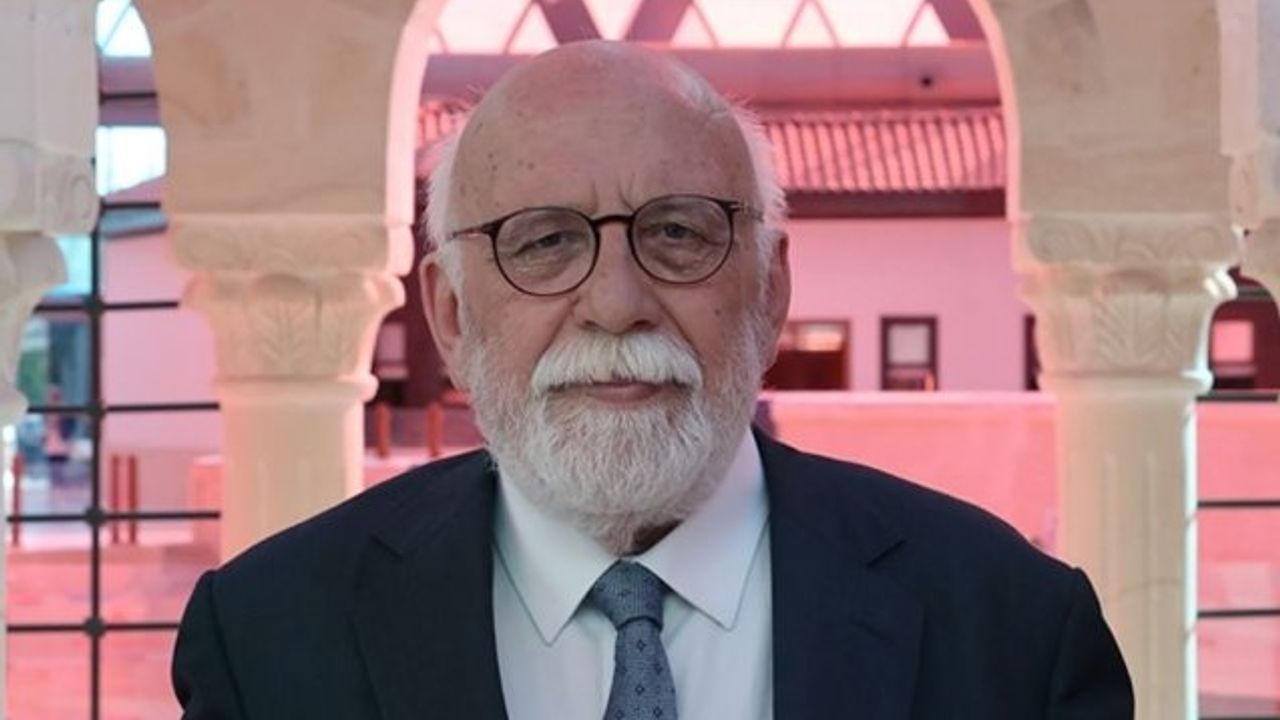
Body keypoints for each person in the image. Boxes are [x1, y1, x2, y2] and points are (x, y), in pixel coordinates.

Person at [172, 40, 1133, 719]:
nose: (616, 303)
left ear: (770, 291)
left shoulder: (1013, 629)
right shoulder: (268, 639)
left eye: (678, 232)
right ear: (451, 315)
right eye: (543, 243)